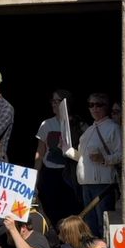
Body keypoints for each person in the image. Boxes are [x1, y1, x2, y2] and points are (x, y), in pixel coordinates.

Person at [64, 93, 121, 238]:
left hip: (103, 184)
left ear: (106, 107)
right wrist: (68, 151)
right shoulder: (89, 130)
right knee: (90, 224)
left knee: (104, 225)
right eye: (91, 105)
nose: (94, 108)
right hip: (86, 184)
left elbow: (122, 154)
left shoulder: (113, 128)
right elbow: (83, 158)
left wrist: (104, 159)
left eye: (98, 105)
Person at [35, 89, 80, 224]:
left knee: (70, 209)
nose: (53, 104)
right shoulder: (46, 124)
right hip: (50, 173)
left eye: (57, 101)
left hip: (70, 173)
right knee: (51, 208)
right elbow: (40, 151)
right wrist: (35, 175)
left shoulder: (78, 124)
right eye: (52, 101)